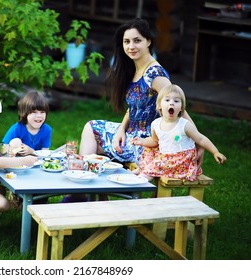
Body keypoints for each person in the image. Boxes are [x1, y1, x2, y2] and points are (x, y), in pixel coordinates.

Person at [64, 18, 203, 202]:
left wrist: (198, 141)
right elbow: (134, 107)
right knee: (91, 128)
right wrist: (121, 129)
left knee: (93, 147)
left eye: (137, 40)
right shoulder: (136, 68)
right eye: (126, 41)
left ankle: (80, 193)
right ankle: (86, 193)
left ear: (148, 41)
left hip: (149, 141)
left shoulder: (155, 74)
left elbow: (178, 108)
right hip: (131, 134)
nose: (131, 46)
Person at [131, 84, 226, 181]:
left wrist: (215, 152)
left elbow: (201, 139)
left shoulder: (184, 125)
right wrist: (142, 141)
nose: (171, 103)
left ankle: (143, 177)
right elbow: (155, 141)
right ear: (159, 105)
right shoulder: (156, 124)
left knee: (159, 163)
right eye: (167, 100)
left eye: (176, 101)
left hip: (181, 160)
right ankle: (143, 169)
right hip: (165, 157)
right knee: (149, 150)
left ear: (181, 108)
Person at [2, 90, 52, 156]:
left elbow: (45, 155)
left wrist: (31, 151)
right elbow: (3, 151)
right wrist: (14, 150)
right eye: (34, 112)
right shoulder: (16, 129)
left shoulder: (46, 130)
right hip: (17, 162)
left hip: (37, 163)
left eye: (42, 112)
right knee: (15, 142)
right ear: (25, 113)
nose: (39, 116)